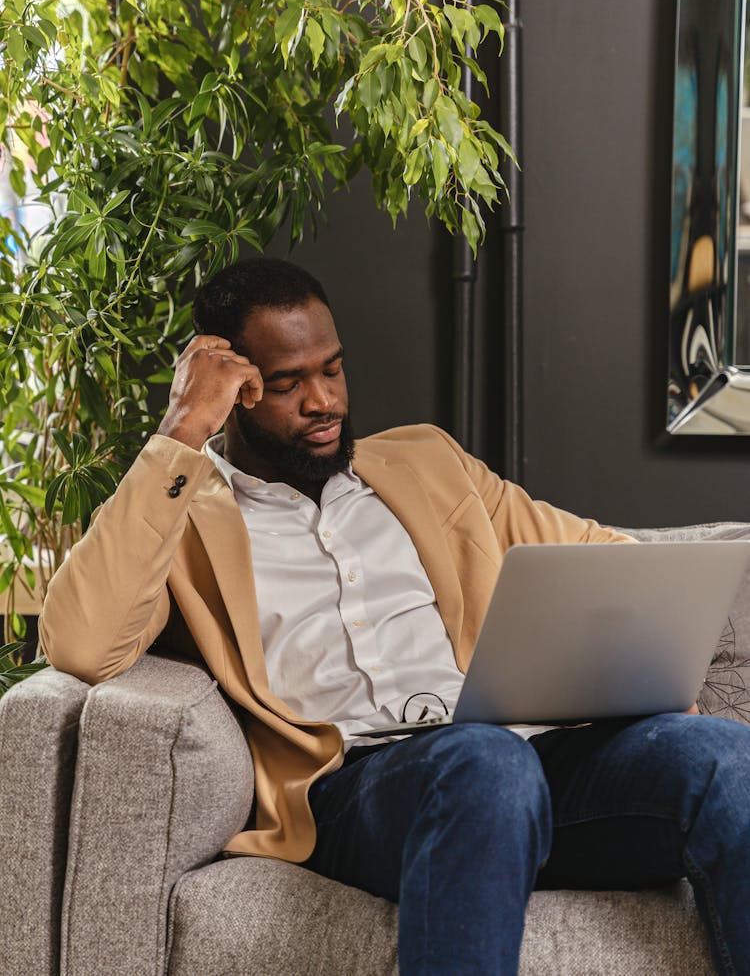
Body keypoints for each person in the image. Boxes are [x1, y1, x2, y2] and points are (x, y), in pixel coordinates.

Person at [39, 257, 750, 975]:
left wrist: (650, 659)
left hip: (526, 758)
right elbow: (80, 639)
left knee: (722, 756)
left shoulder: (427, 462)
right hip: (359, 788)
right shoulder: (184, 512)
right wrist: (181, 429)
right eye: (288, 383)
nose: (323, 401)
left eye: (333, 370)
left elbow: (604, 556)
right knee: (483, 761)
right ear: (235, 388)